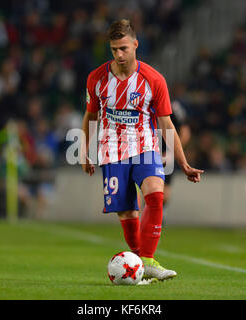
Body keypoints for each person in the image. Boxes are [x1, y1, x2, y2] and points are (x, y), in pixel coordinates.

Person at [81, 19, 204, 281]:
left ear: (136, 45)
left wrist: (183, 163)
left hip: (145, 147)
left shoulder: (154, 79)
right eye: (114, 49)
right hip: (111, 151)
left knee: (156, 195)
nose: (119, 54)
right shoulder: (96, 79)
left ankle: (146, 260)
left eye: (124, 48)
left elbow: (167, 125)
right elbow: (90, 116)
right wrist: (84, 151)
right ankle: (140, 266)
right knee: (128, 212)